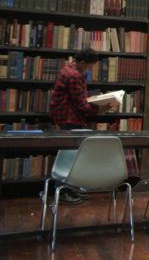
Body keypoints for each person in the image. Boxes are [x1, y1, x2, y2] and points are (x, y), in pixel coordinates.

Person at [47, 48, 117, 204]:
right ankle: (63, 191)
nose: (90, 69)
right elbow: (81, 105)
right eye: (90, 66)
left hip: (64, 116)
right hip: (69, 118)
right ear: (83, 62)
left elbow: (78, 99)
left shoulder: (68, 68)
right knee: (68, 155)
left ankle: (70, 188)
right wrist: (101, 108)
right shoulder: (74, 75)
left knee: (70, 154)